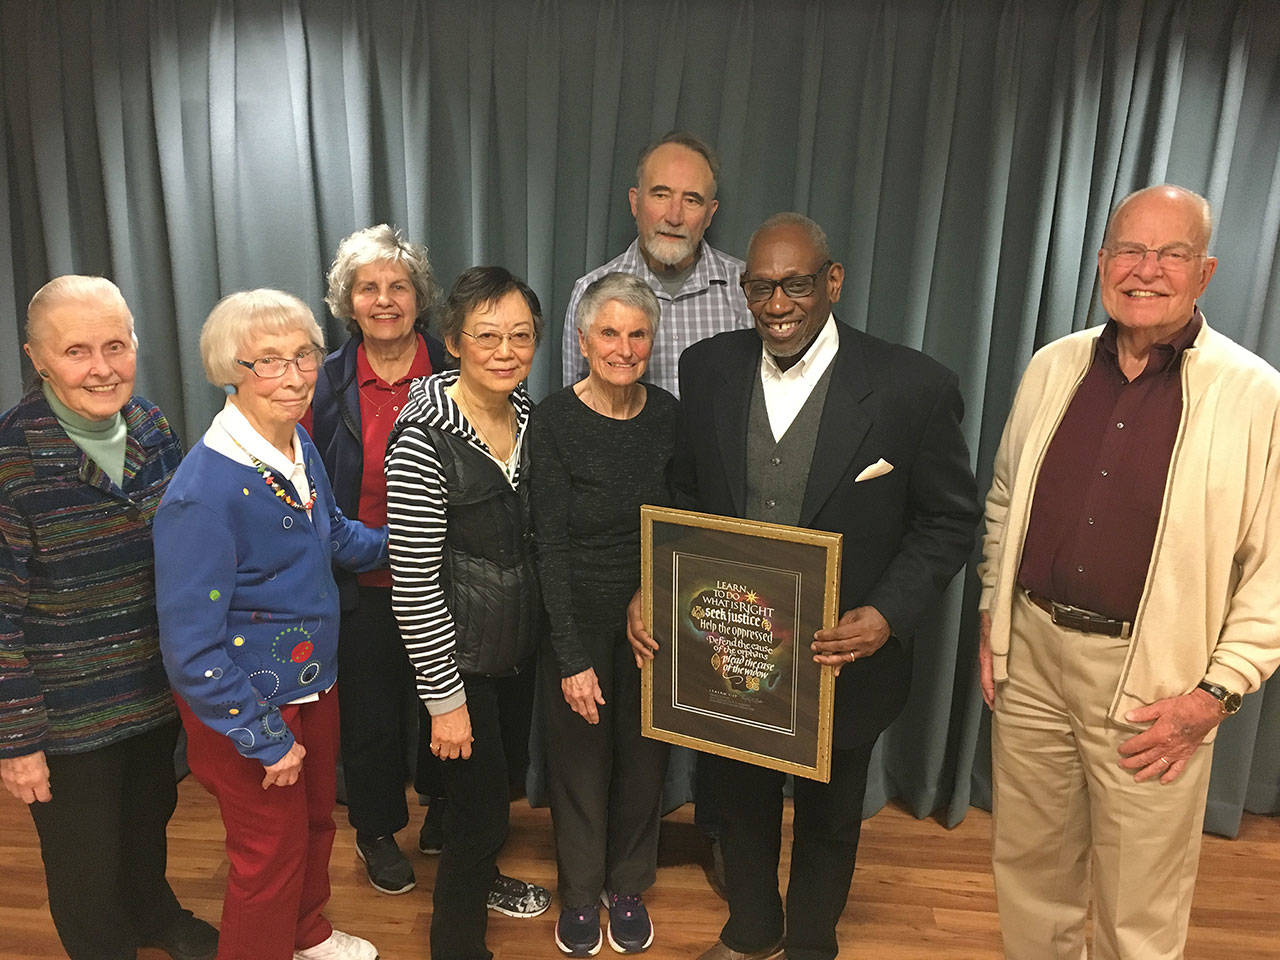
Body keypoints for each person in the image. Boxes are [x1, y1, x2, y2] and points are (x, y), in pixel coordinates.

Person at [627, 213, 979, 960]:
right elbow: (685, 497)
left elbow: (949, 523)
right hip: (732, 644)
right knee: (739, 803)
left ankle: (812, 943)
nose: (777, 303)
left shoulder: (913, 387)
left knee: (829, 812)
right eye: (761, 286)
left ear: (833, 282)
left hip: (843, 656)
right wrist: (653, 584)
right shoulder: (708, 367)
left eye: (795, 284)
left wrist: (887, 613)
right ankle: (752, 930)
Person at [977, 184, 1280, 960]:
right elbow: (1007, 498)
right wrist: (991, 616)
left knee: (1138, 910)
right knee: (1032, 878)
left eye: (1171, 254)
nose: (1147, 270)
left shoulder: (1257, 396)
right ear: (1102, 262)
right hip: (1032, 662)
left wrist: (1215, 695)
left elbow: (1273, 570)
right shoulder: (1053, 366)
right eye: (1130, 251)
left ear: (1204, 272)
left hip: (1155, 687)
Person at [154, 289, 387, 960]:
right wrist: (262, 735)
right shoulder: (202, 493)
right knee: (267, 856)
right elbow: (191, 649)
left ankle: (306, 934)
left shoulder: (298, 442)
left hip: (313, 683)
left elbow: (334, 534)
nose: (294, 376)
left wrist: (408, 542)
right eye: (269, 362)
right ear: (233, 370)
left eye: (304, 355)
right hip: (249, 707)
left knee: (315, 825)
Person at [0, 276, 218, 960]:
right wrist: (16, 738)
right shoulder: (11, 462)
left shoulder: (151, 426)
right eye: (75, 351)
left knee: (149, 819)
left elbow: (188, 549)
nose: (101, 368)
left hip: (154, 688)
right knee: (84, 862)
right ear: (37, 359)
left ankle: (154, 913)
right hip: (67, 716)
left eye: (115, 346)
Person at [386, 266, 553, 960]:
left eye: (520, 335)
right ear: (453, 341)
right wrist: (445, 700)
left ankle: (481, 877)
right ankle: (456, 945)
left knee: (491, 802)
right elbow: (414, 583)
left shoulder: (531, 419)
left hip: (515, 653)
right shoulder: (423, 437)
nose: (506, 350)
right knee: (481, 814)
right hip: (460, 666)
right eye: (487, 335)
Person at [529, 273, 680, 956]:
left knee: (644, 762)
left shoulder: (670, 417)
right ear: (585, 341)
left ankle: (626, 887)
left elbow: (682, 523)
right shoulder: (555, 419)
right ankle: (582, 894)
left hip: (652, 617)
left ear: (653, 340)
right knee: (581, 764)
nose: (624, 347)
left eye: (638, 333)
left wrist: (655, 594)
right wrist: (571, 656)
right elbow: (548, 546)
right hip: (576, 617)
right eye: (610, 333)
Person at [306, 224, 450, 895]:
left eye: (398, 286)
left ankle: (445, 817)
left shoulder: (457, 371)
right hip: (358, 587)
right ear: (349, 302)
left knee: (447, 710)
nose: (385, 299)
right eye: (369, 288)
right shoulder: (323, 384)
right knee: (369, 718)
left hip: (448, 584)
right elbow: (303, 492)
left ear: (420, 298)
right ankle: (376, 831)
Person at [562, 131, 749, 396]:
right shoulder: (590, 291)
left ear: (710, 214)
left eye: (691, 200)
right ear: (635, 202)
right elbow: (575, 406)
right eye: (661, 195)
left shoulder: (748, 289)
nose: (674, 217)